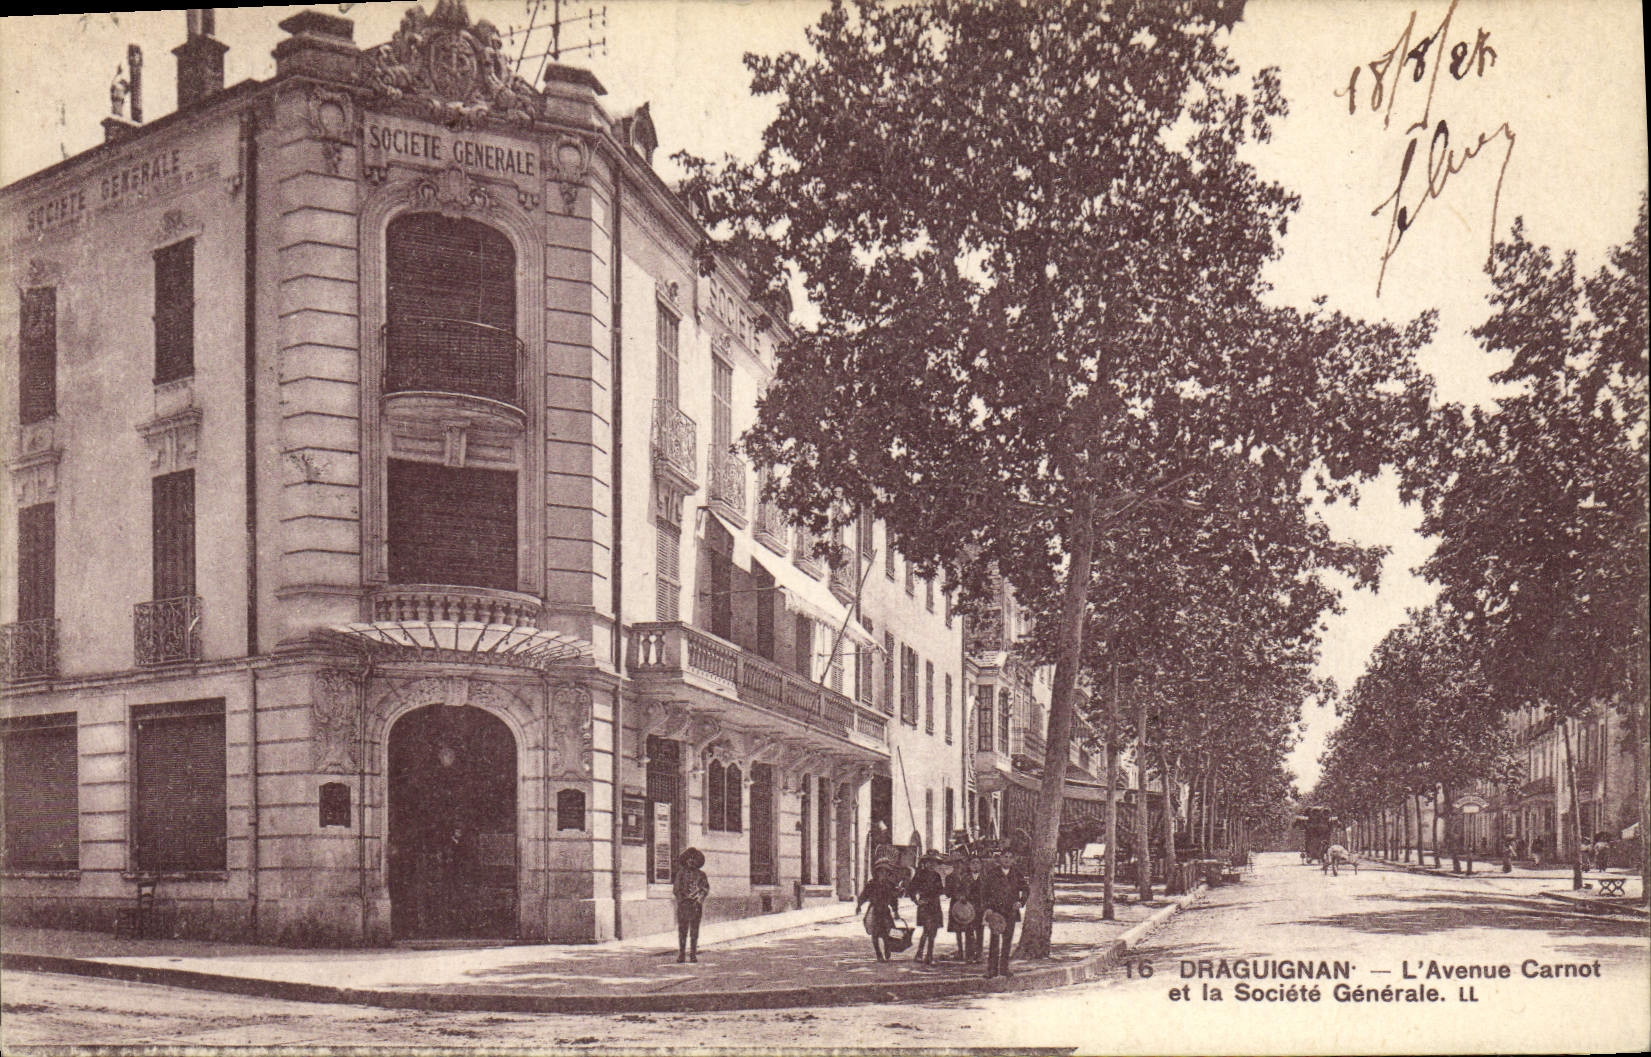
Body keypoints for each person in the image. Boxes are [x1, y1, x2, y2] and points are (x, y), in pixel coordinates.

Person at [980, 846, 1029, 979]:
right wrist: (988, 908)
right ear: (1000, 858)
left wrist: (1021, 901)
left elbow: (1025, 889)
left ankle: (1004, 968)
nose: (1007, 860)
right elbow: (984, 892)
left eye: (1010, 857)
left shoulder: (1016, 874)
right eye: (1005, 857)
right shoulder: (992, 873)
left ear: (1013, 860)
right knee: (994, 941)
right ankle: (992, 969)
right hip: (996, 911)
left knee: (1007, 941)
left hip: (1011, 911)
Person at [857, 859, 902, 963]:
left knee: (888, 932)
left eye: (885, 872)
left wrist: (896, 911)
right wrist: (859, 905)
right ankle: (878, 954)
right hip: (874, 911)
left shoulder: (890, 885)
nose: (883, 874)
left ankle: (887, 948)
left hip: (885, 911)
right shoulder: (871, 884)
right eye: (881, 871)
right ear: (876, 872)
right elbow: (864, 895)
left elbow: (893, 899)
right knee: (875, 934)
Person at [908, 850, 946, 965]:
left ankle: (928, 954)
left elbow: (940, 890)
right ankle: (921, 954)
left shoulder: (937, 876)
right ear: (925, 863)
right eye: (929, 862)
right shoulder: (920, 874)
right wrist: (916, 901)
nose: (932, 864)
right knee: (927, 929)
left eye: (934, 862)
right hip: (925, 906)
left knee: (933, 931)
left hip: (935, 905)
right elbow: (911, 889)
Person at [672, 847, 709, 963]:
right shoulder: (681, 874)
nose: (691, 861)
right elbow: (676, 889)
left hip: (696, 906)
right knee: (682, 930)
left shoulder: (701, 874)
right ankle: (681, 954)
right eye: (689, 858)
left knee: (694, 930)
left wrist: (699, 899)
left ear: (697, 861)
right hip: (684, 905)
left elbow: (705, 889)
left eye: (694, 859)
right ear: (686, 860)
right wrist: (681, 900)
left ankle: (693, 954)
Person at [948, 855, 984, 962]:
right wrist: (961, 897)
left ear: (981, 865)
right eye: (973, 863)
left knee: (980, 931)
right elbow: (959, 890)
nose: (975, 865)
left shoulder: (986, 878)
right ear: (969, 865)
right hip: (968, 908)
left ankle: (979, 954)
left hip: (981, 907)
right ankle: (969, 955)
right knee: (969, 931)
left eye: (977, 863)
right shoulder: (964, 878)